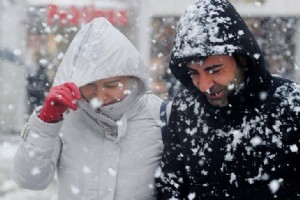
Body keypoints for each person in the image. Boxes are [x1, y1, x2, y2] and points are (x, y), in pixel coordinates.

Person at [155, 0, 300, 199]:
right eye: (194, 73)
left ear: (242, 58)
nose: (204, 85)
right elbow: (171, 185)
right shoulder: (186, 108)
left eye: (214, 70)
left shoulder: (291, 104)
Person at [13, 17, 171, 200]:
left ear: (132, 78)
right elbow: (30, 180)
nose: (100, 96)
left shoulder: (162, 116)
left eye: (111, 85)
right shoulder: (65, 116)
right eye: (90, 85)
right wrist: (45, 124)